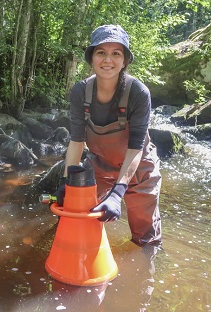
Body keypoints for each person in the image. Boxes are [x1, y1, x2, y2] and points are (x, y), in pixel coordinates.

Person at [54, 24, 162, 246]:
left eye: (116, 53)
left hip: (139, 168)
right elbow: (76, 141)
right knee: (77, 218)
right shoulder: (80, 92)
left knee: (146, 240)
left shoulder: (139, 93)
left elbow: (136, 148)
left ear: (125, 61)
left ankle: (145, 277)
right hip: (100, 166)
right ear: (91, 58)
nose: (108, 60)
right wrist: (66, 182)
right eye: (101, 52)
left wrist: (117, 193)